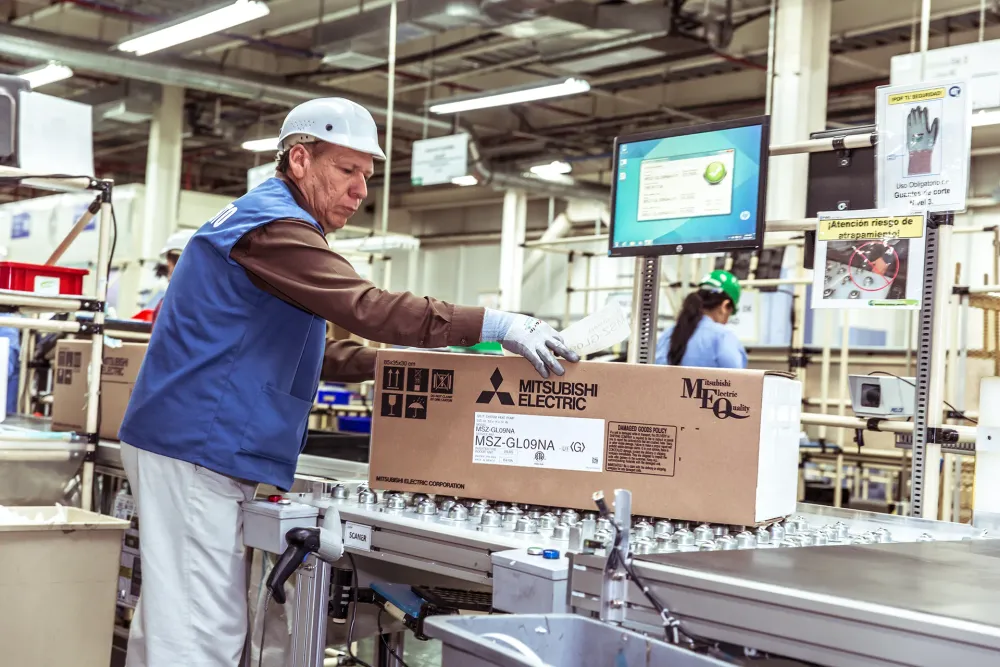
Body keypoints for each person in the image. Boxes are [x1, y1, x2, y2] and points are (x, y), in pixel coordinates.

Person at [116, 97, 577, 667]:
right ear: (301, 160)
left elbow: (308, 351)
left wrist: (405, 369)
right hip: (194, 447)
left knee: (174, 621)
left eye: (367, 174)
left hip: (194, 444)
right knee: (199, 634)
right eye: (347, 170)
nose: (361, 189)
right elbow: (367, 306)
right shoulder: (275, 228)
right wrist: (495, 322)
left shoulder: (270, 223)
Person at [654, 270, 747, 369]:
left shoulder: (669, 334)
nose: (726, 321)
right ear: (725, 306)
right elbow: (737, 381)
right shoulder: (723, 337)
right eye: (729, 314)